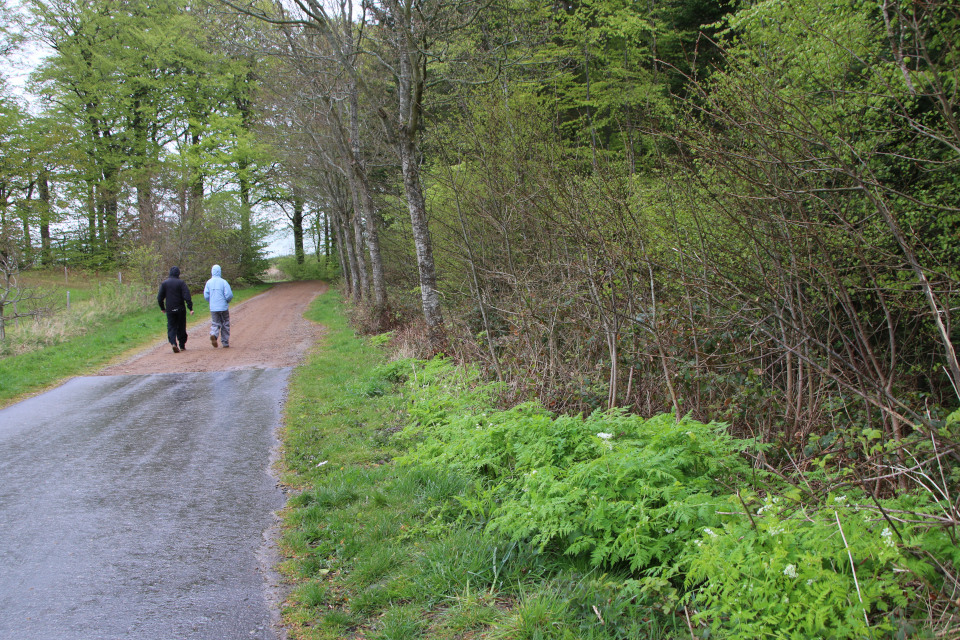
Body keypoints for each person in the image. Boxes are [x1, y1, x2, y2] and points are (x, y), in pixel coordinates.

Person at [157, 266, 193, 353]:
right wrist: (190, 307)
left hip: (170, 309)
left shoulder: (165, 283)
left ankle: (173, 342)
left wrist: (162, 308)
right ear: (178, 273)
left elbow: (159, 298)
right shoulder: (181, 283)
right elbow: (187, 296)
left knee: (171, 326)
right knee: (181, 326)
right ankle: (182, 345)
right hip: (180, 309)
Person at [203, 264, 233, 348]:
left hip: (213, 307)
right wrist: (227, 301)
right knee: (225, 323)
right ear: (220, 272)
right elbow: (229, 295)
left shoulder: (208, 282)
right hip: (223, 307)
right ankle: (225, 342)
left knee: (215, 323)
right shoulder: (223, 282)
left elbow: (206, 295)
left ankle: (214, 334)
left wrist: (211, 301)